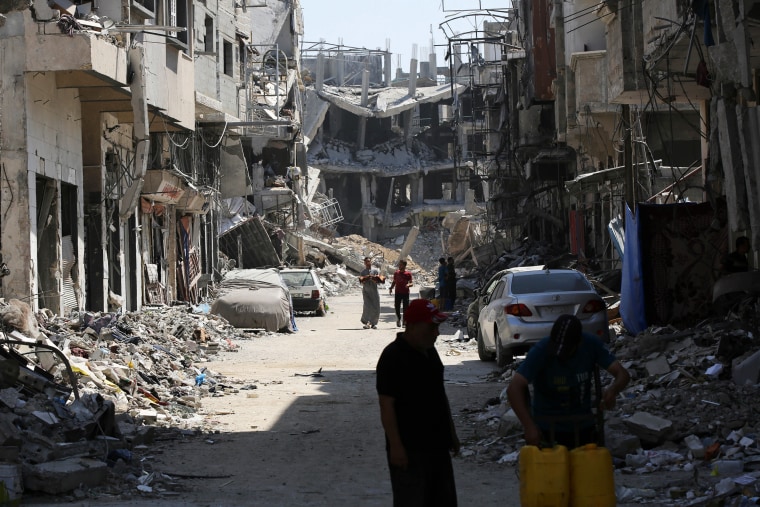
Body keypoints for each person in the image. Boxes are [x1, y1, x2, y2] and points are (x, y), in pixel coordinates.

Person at [376, 298, 460, 506]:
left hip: (438, 444)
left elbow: (440, 394)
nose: (436, 333)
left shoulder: (430, 352)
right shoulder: (392, 357)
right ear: (412, 326)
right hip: (410, 449)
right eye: (431, 327)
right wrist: (396, 446)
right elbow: (386, 405)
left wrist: (451, 432)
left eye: (437, 327)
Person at [506, 314, 630, 449]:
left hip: (583, 425)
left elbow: (622, 374)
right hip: (548, 426)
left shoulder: (590, 345)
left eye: (566, 351)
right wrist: (529, 426)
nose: (561, 356)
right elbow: (514, 388)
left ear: (579, 343)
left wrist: (613, 390)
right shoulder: (541, 350)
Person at [359, 256, 384, 329]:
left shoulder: (375, 270)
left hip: (374, 291)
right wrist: (366, 278)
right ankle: (367, 322)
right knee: (367, 307)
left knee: (376, 307)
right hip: (366, 291)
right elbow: (361, 281)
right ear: (364, 263)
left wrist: (374, 279)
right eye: (366, 262)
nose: (368, 263)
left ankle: (374, 323)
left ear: (371, 262)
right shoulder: (363, 272)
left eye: (369, 261)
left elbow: (380, 280)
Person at [389, 259, 413, 328]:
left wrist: (409, 285)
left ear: (404, 266)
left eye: (401, 264)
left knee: (405, 308)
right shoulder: (396, 273)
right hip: (398, 293)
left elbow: (411, 283)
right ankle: (398, 319)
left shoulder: (408, 274)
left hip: (405, 293)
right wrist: (391, 288)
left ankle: (405, 322)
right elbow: (394, 281)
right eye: (399, 264)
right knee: (397, 307)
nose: (399, 266)